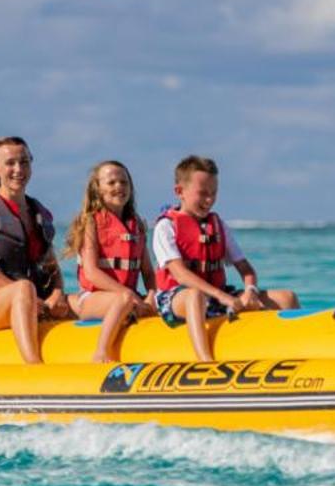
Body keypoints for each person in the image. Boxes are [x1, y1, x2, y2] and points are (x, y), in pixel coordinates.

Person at [150, 154, 299, 361]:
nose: (209, 200)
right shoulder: (165, 227)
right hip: (176, 299)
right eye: (202, 193)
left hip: (217, 295)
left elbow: (246, 270)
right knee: (195, 296)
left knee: (286, 297)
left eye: (213, 193)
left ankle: (292, 355)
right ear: (180, 192)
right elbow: (180, 275)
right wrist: (223, 298)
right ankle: (205, 361)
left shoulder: (218, 226)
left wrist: (250, 292)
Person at [0, 135, 70, 364]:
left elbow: (51, 264)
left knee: (78, 302)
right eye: (10, 163)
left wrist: (56, 294)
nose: (18, 169)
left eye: (24, 162)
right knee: (24, 288)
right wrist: (26, 295)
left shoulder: (38, 211)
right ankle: (33, 365)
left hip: (33, 301)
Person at [64, 159, 147, 363]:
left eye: (124, 182)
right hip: (93, 299)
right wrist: (126, 294)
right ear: (98, 189)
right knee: (125, 299)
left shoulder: (137, 225)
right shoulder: (91, 222)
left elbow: (149, 273)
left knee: (144, 303)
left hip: (127, 298)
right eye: (111, 183)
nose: (119, 187)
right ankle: (101, 352)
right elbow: (91, 272)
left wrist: (152, 296)